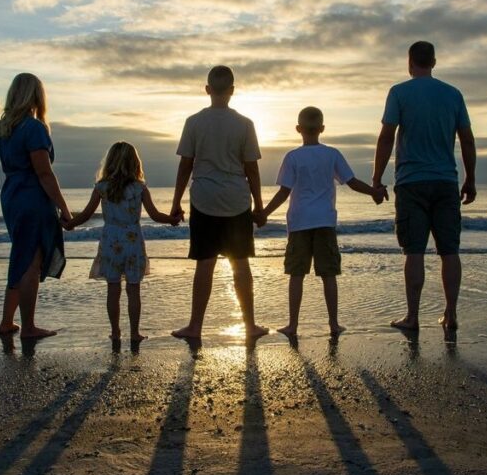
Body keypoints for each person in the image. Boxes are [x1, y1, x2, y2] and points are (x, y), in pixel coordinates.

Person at [372, 41, 477, 334]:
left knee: (414, 251)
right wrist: (471, 178)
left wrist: (377, 179)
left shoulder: (399, 92)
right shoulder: (452, 94)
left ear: (410, 62)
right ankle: (451, 313)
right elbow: (467, 140)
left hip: (411, 182)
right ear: (434, 61)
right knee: (449, 250)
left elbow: (386, 137)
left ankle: (413, 316)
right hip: (445, 180)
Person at [258, 107, 386, 338]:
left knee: (296, 274)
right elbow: (352, 182)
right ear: (322, 129)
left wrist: (264, 213)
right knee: (328, 274)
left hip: (299, 223)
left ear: (298, 129)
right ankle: (334, 323)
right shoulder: (332, 154)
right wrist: (374, 192)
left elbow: (284, 192)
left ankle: (293, 325)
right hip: (325, 221)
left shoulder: (293, 157)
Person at [169, 65, 268, 340]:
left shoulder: (194, 122)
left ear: (208, 90)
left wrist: (176, 203)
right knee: (241, 264)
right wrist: (259, 205)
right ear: (232, 91)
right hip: (236, 199)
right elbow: (252, 169)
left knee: (205, 263)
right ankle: (249, 326)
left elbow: (185, 165)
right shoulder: (245, 124)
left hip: (204, 199)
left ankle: (195, 326)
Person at [68, 141, 179, 343]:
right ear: (134, 163)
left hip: (111, 240)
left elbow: (85, 214)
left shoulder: (102, 187)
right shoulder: (139, 188)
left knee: (113, 288)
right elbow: (154, 215)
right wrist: (172, 220)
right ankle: (135, 333)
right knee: (133, 289)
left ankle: (115, 331)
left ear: (110, 162)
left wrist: (69, 223)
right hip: (133, 241)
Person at [0, 73, 73, 339]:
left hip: (12, 195)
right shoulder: (34, 128)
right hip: (32, 195)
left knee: (21, 255)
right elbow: (44, 173)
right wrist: (64, 208)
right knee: (31, 261)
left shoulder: (5, 127)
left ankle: (8, 321)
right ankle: (28, 327)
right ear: (37, 96)